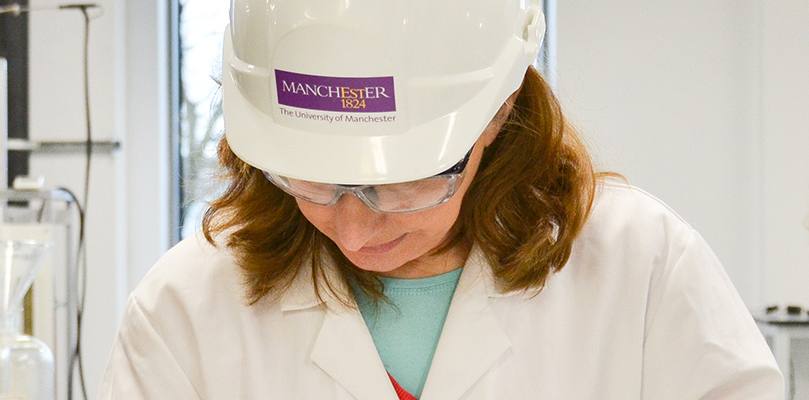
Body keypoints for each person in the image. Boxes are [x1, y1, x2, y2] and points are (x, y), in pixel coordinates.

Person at [99, 0, 782, 399]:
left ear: (499, 111)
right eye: (310, 181)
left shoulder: (642, 269)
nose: (356, 229)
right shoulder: (186, 309)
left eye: (403, 181)